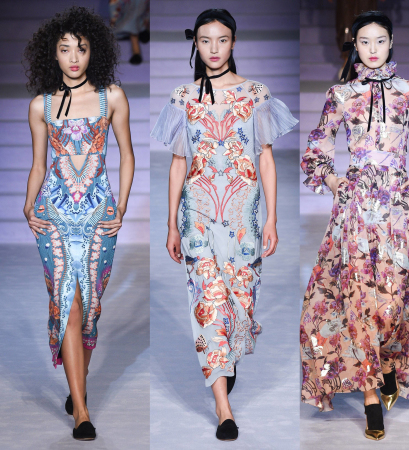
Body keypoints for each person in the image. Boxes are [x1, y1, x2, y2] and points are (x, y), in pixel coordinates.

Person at [300, 10, 409, 441]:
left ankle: (385, 367)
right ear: (354, 45)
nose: (372, 49)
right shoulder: (341, 94)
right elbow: (316, 150)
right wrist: (336, 184)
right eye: (364, 41)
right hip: (356, 211)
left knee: (395, 298)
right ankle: (370, 395)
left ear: (391, 43)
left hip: (399, 213)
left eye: (379, 41)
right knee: (360, 298)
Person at [151, 8, 298, 442]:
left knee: (240, 302)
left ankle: (227, 354)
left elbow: (265, 158)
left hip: (243, 215)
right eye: (204, 41)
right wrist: (171, 223)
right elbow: (179, 163)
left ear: (233, 42)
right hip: (197, 214)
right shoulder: (183, 97)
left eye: (221, 40)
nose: (213, 49)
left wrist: (272, 217)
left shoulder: (256, 93)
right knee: (208, 302)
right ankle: (223, 409)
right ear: (195, 44)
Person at [23, 6, 135, 440]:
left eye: (81, 48)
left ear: (94, 52)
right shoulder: (41, 105)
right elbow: (39, 165)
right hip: (52, 215)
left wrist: (120, 207)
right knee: (67, 302)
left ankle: (77, 385)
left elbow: (126, 155)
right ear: (52, 53)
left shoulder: (112, 97)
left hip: (98, 216)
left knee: (89, 308)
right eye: (65, 48)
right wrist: (27, 206)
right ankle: (81, 411)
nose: (73, 57)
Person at [109, 0, 150, 65]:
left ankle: (136, 53)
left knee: (133, 24)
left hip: (133, 16)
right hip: (128, 16)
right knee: (133, 26)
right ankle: (136, 52)